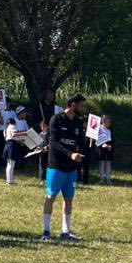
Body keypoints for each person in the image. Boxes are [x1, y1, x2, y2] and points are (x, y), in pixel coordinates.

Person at [42, 94, 87, 242]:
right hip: (56, 166)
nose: (83, 109)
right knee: (50, 197)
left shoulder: (78, 122)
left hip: (71, 168)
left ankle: (66, 231)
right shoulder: (56, 119)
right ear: (73, 104)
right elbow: (53, 142)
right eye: (81, 105)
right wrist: (70, 154)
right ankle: (46, 231)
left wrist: (86, 146)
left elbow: (80, 143)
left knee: (68, 199)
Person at [3, 106, 28, 186]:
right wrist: (23, 133)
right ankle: (10, 181)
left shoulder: (8, 127)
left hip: (9, 144)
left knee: (9, 164)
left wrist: (20, 140)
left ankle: (9, 180)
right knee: (11, 164)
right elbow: (14, 134)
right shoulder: (12, 126)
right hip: (12, 145)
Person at [97, 115, 115, 184]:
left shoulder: (110, 130)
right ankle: (101, 179)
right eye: (108, 121)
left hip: (109, 149)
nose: (110, 123)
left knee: (108, 164)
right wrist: (103, 144)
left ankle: (108, 179)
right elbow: (97, 138)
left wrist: (110, 145)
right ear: (104, 121)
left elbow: (113, 140)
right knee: (102, 163)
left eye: (110, 122)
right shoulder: (99, 128)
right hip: (101, 149)